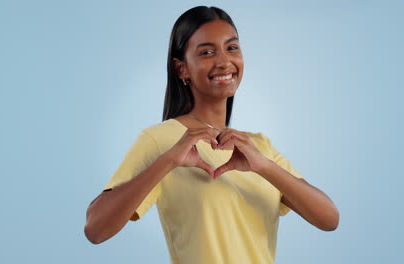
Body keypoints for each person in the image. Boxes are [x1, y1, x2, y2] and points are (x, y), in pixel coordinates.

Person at [84, 6, 339, 264]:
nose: (223, 61)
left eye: (231, 48)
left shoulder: (257, 146)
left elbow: (329, 219)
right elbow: (95, 229)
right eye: (206, 52)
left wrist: (263, 166)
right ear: (181, 69)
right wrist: (168, 161)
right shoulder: (161, 140)